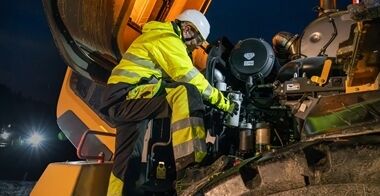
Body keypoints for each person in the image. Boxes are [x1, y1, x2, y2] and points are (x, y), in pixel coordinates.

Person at [101, 9, 235, 195]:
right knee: (185, 91)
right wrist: (224, 102)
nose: (195, 48)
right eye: (196, 42)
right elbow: (188, 77)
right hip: (128, 94)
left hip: (121, 99)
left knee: (127, 164)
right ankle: (191, 168)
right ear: (187, 29)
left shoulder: (160, 37)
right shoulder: (167, 39)